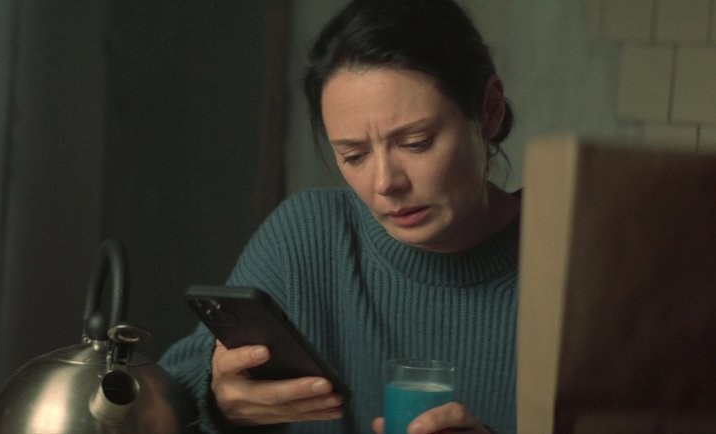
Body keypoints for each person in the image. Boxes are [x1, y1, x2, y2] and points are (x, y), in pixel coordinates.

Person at [160, 0, 521, 432]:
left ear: (489, 111)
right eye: (354, 155)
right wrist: (218, 401)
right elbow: (169, 392)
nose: (385, 183)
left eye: (417, 142)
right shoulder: (310, 236)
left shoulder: (572, 263)